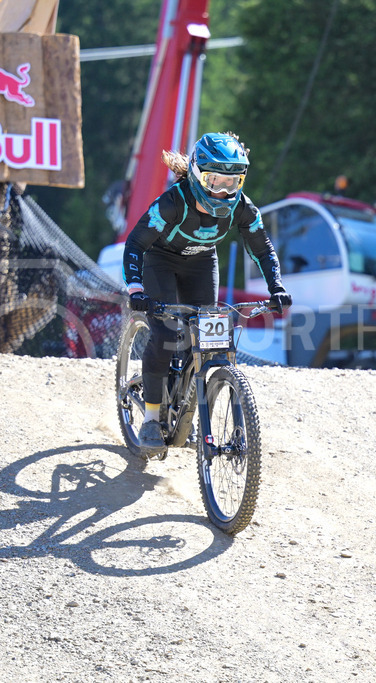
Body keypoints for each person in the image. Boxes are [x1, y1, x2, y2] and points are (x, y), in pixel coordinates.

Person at [122, 132, 292, 457]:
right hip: (161, 261)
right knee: (166, 334)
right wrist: (136, 288)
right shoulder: (173, 203)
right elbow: (135, 244)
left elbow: (263, 249)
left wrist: (277, 287)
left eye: (233, 182)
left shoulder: (241, 207)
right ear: (199, 175)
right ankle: (152, 418)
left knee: (204, 339)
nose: (225, 192)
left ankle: (190, 407)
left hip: (202, 263)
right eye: (216, 182)